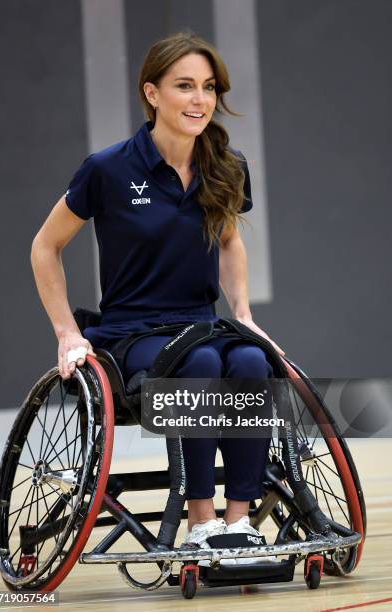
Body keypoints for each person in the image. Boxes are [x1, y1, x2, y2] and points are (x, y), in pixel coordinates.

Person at [30, 32, 284, 563]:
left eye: (209, 88)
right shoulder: (108, 168)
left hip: (201, 322)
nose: (200, 100)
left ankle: (238, 526)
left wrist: (242, 315)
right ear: (152, 93)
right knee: (202, 363)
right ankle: (201, 522)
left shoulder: (226, 165)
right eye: (184, 86)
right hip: (131, 333)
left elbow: (231, 239)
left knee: (252, 360)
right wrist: (65, 333)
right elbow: (45, 246)